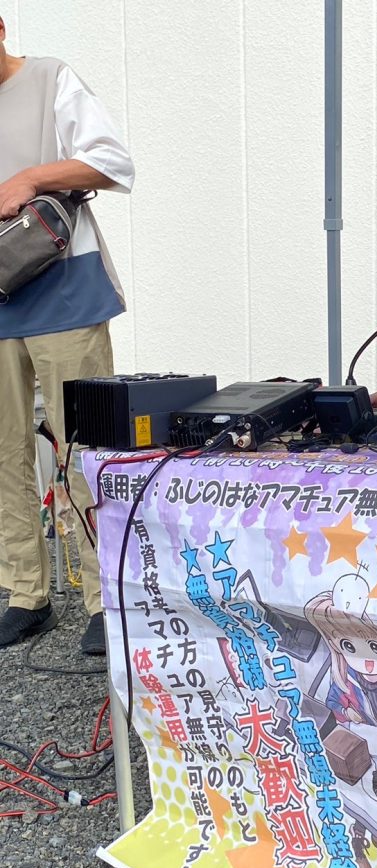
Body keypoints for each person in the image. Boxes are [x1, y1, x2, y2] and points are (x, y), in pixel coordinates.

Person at [0, 16, 134, 655]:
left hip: (65, 290)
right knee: (4, 453)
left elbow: (110, 162)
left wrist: (30, 179)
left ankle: (105, 599)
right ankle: (26, 594)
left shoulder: (50, 78)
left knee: (84, 448)